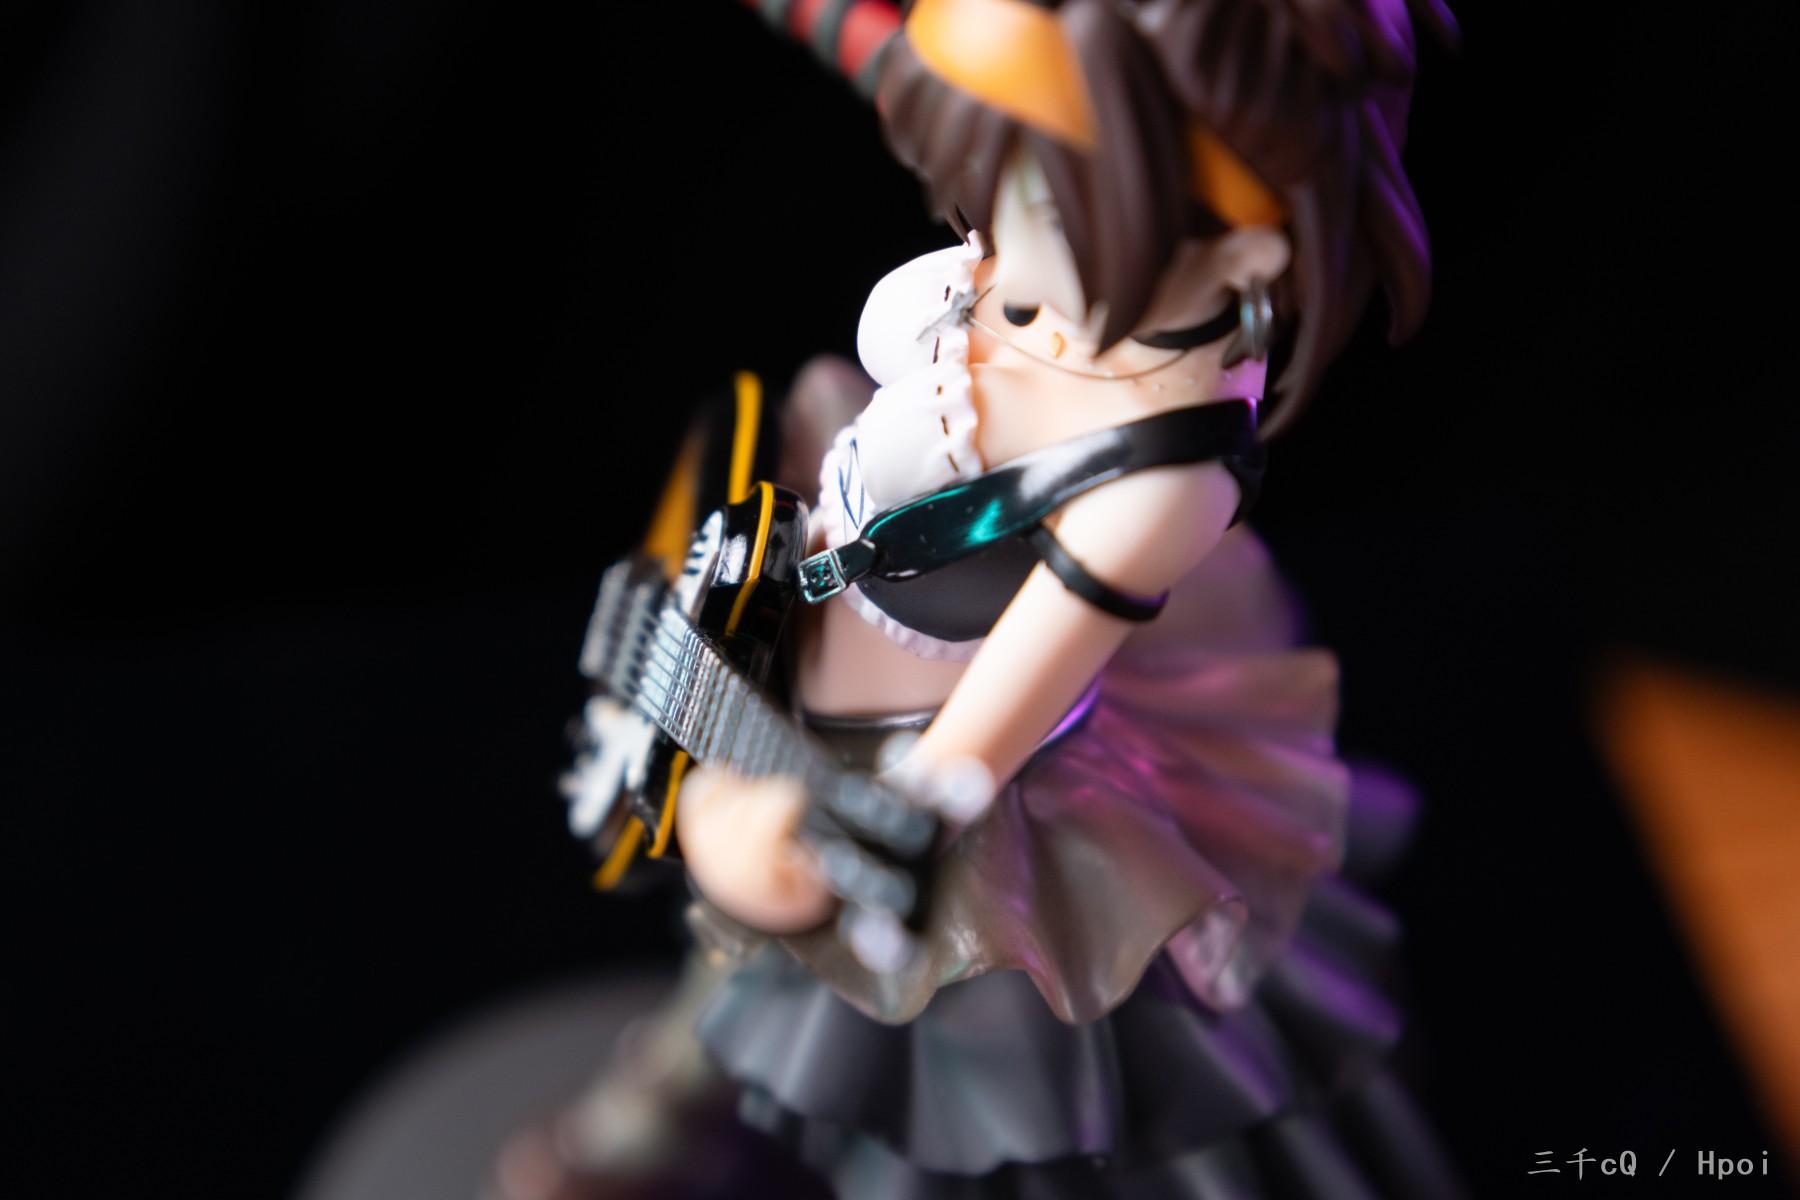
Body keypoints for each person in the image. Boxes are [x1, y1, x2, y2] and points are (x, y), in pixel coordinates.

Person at [649, 0, 1463, 1194]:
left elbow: (971, 750)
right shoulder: (1038, 221)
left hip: (917, 763)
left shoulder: (1160, 477)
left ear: (1244, 254)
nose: (998, 237)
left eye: (1052, 202)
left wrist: (828, 839)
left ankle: (665, 1116)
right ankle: (657, 1106)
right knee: (723, 977)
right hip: (793, 617)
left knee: (930, 1088)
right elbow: (886, 58)